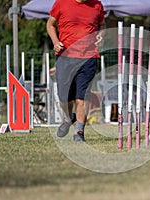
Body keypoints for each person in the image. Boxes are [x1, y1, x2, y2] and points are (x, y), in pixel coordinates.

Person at [46, 0, 106, 142]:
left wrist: (101, 35)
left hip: (88, 57)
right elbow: (50, 24)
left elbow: (102, 24)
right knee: (63, 97)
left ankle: (79, 131)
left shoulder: (97, 5)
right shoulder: (61, 3)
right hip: (65, 57)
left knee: (82, 97)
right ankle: (68, 117)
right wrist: (55, 42)